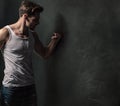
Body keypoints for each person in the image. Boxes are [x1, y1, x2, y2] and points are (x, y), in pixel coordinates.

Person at [0, 0, 61, 106]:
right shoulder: (5, 33)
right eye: (35, 19)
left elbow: (45, 54)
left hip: (29, 87)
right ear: (25, 17)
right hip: (11, 88)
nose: (38, 22)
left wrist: (54, 41)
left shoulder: (33, 35)